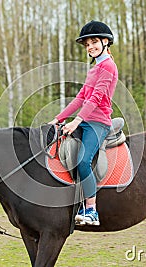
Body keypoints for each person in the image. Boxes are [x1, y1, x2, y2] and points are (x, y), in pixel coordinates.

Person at [48, 20, 118, 226]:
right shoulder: (94, 69)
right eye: (87, 44)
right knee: (63, 153)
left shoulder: (108, 66)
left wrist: (76, 121)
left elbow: (96, 98)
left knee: (83, 160)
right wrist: (58, 119)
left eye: (94, 42)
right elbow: (80, 98)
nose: (90, 47)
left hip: (98, 123)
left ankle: (91, 210)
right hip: (85, 120)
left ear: (106, 42)